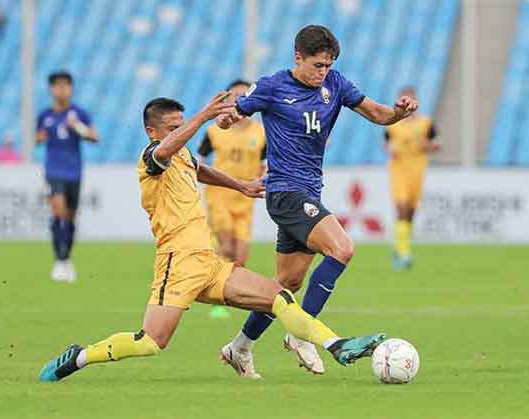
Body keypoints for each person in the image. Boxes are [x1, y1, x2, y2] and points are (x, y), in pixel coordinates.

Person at [38, 93, 385, 382]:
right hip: (177, 264)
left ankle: (337, 345)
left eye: (182, 124)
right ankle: (80, 357)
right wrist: (203, 116)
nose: (181, 132)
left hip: (208, 263)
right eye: (173, 127)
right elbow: (166, 152)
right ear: (152, 131)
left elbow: (199, 168)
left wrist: (240, 184)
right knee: (150, 342)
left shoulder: (183, 156)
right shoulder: (151, 158)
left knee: (280, 297)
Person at [216, 25, 418, 377]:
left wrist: (399, 113)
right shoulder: (273, 85)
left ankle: (239, 348)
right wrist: (229, 115)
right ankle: (303, 333)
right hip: (284, 192)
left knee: (286, 286)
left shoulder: (335, 84)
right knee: (342, 249)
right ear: (298, 57)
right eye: (317, 65)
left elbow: (377, 114)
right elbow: (236, 111)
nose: (323, 72)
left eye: (328, 65)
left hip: (308, 192)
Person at [197, 79, 266, 320]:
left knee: (241, 255)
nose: (238, 99)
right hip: (220, 193)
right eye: (234, 95)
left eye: (243, 95)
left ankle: (232, 294)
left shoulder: (261, 132)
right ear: (227, 100)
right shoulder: (214, 130)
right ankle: (216, 301)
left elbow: (265, 163)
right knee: (225, 245)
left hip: (246, 196)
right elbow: (201, 159)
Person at [36, 71, 98, 283]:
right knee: (58, 209)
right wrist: (41, 136)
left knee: (70, 216)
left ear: (71, 89)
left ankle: (66, 258)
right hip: (54, 170)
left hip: (74, 171)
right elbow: (38, 138)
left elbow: (94, 137)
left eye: (65, 86)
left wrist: (77, 127)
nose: (61, 89)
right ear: (51, 89)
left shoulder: (79, 113)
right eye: (57, 86)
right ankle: (59, 259)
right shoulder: (45, 115)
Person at [385, 87, 441, 270]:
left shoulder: (426, 123)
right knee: (401, 208)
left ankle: (401, 247)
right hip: (399, 170)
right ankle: (403, 254)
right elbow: (386, 143)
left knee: (410, 213)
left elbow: (437, 143)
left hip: (417, 172)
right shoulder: (393, 123)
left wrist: (430, 146)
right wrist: (389, 149)